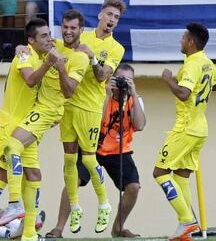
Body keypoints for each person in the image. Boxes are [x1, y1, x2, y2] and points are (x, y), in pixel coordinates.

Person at [0, 9, 89, 241]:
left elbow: (68, 92)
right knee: (32, 173)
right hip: (33, 115)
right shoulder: (52, 45)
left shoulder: (81, 56)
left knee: (15, 151)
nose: (67, 32)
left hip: (54, 114)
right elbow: (33, 47)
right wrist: (21, 50)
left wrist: (61, 66)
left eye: (73, 28)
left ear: (81, 30)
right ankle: (25, 228)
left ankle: (18, 207)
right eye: (65, 27)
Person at [0, 18, 57, 241]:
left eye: (49, 34)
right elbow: (29, 80)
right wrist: (47, 64)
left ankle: (28, 233)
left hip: (27, 127)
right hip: (8, 126)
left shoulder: (42, 56)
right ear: (31, 40)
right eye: (43, 36)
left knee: (34, 174)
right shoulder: (25, 55)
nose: (49, 39)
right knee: (2, 176)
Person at [46, 63, 146, 238]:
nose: (123, 83)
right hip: (91, 147)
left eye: (128, 80)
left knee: (133, 187)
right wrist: (107, 96)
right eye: (120, 79)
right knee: (73, 180)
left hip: (118, 151)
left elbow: (140, 125)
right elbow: (96, 122)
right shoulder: (101, 94)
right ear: (111, 78)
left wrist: (133, 94)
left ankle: (118, 228)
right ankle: (59, 228)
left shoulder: (135, 100)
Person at [152, 23, 216, 241]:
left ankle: (187, 220)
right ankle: (186, 228)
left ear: (191, 42)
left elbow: (183, 94)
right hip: (200, 128)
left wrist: (168, 80)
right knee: (182, 176)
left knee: (160, 173)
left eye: (183, 37)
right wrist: (203, 88)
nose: (181, 41)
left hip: (185, 127)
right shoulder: (207, 62)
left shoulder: (193, 64)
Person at [60, 0, 126, 234]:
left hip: (90, 108)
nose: (112, 20)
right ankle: (75, 207)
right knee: (68, 160)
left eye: (116, 18)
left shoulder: (117, 48)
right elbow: (59, 51)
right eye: (109, 15)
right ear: (100, 15)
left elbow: (101, 76)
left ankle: (104, 204)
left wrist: (92, 57)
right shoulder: (82, 37)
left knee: (88, 159)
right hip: (69, 106)